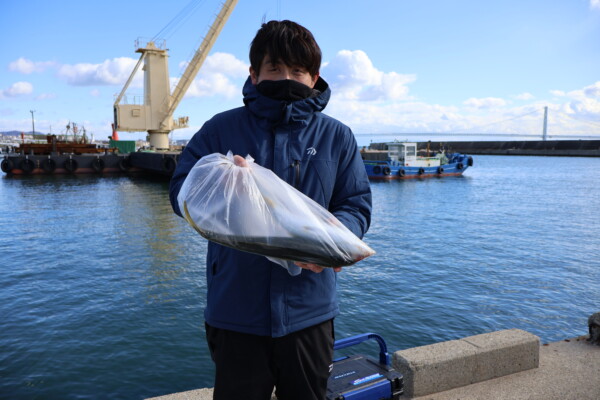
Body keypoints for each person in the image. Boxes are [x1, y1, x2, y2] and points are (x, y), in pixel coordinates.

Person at [169, 20, 372, 400]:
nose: (287, 78)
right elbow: (181, 191)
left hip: (309, 310)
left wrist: (332, 245)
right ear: (254, 74)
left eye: (297, 70)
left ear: (315, 77)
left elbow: (355, 205)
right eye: (275, 68)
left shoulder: (337, 136)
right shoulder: (220, 129)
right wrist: (225, 185)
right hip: (235, 310)